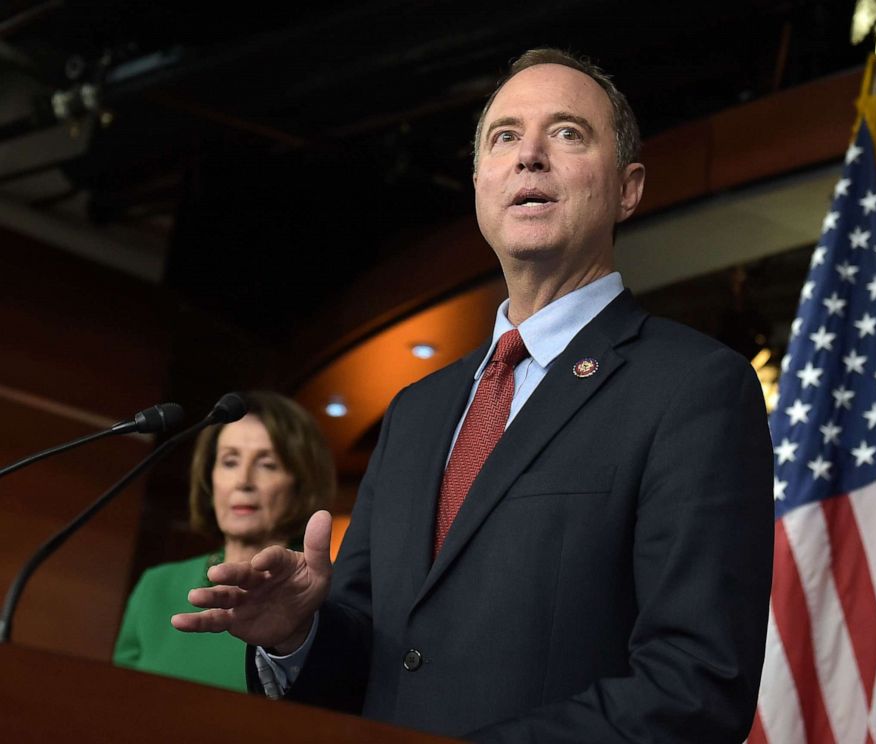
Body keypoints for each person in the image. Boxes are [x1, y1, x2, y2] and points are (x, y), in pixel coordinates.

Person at [173, 48, 773, 741]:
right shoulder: (416, 411)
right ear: (480, 183)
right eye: (505, 137)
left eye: (568, 133)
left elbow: (693, 688)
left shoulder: (693, 388)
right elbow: (377, 659)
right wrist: (297, 637)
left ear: (628, 188)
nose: (529, 156)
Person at [114, 390, 335, 691]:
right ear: (210, 476)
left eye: (267, 464)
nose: (243, 481)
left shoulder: (324, 594)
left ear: (300, 481)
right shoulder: (157, 585)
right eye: (230, 462)